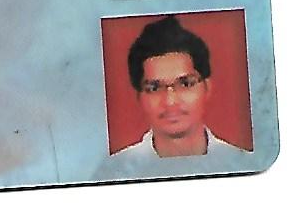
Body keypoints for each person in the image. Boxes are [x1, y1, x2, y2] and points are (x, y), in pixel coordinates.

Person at [100, 15, 245, 174]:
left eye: (185, 84)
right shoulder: (115, 172)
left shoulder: (240, 164)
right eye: (154, 88)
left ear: (207, 88)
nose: (170, 101)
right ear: (140, 97)